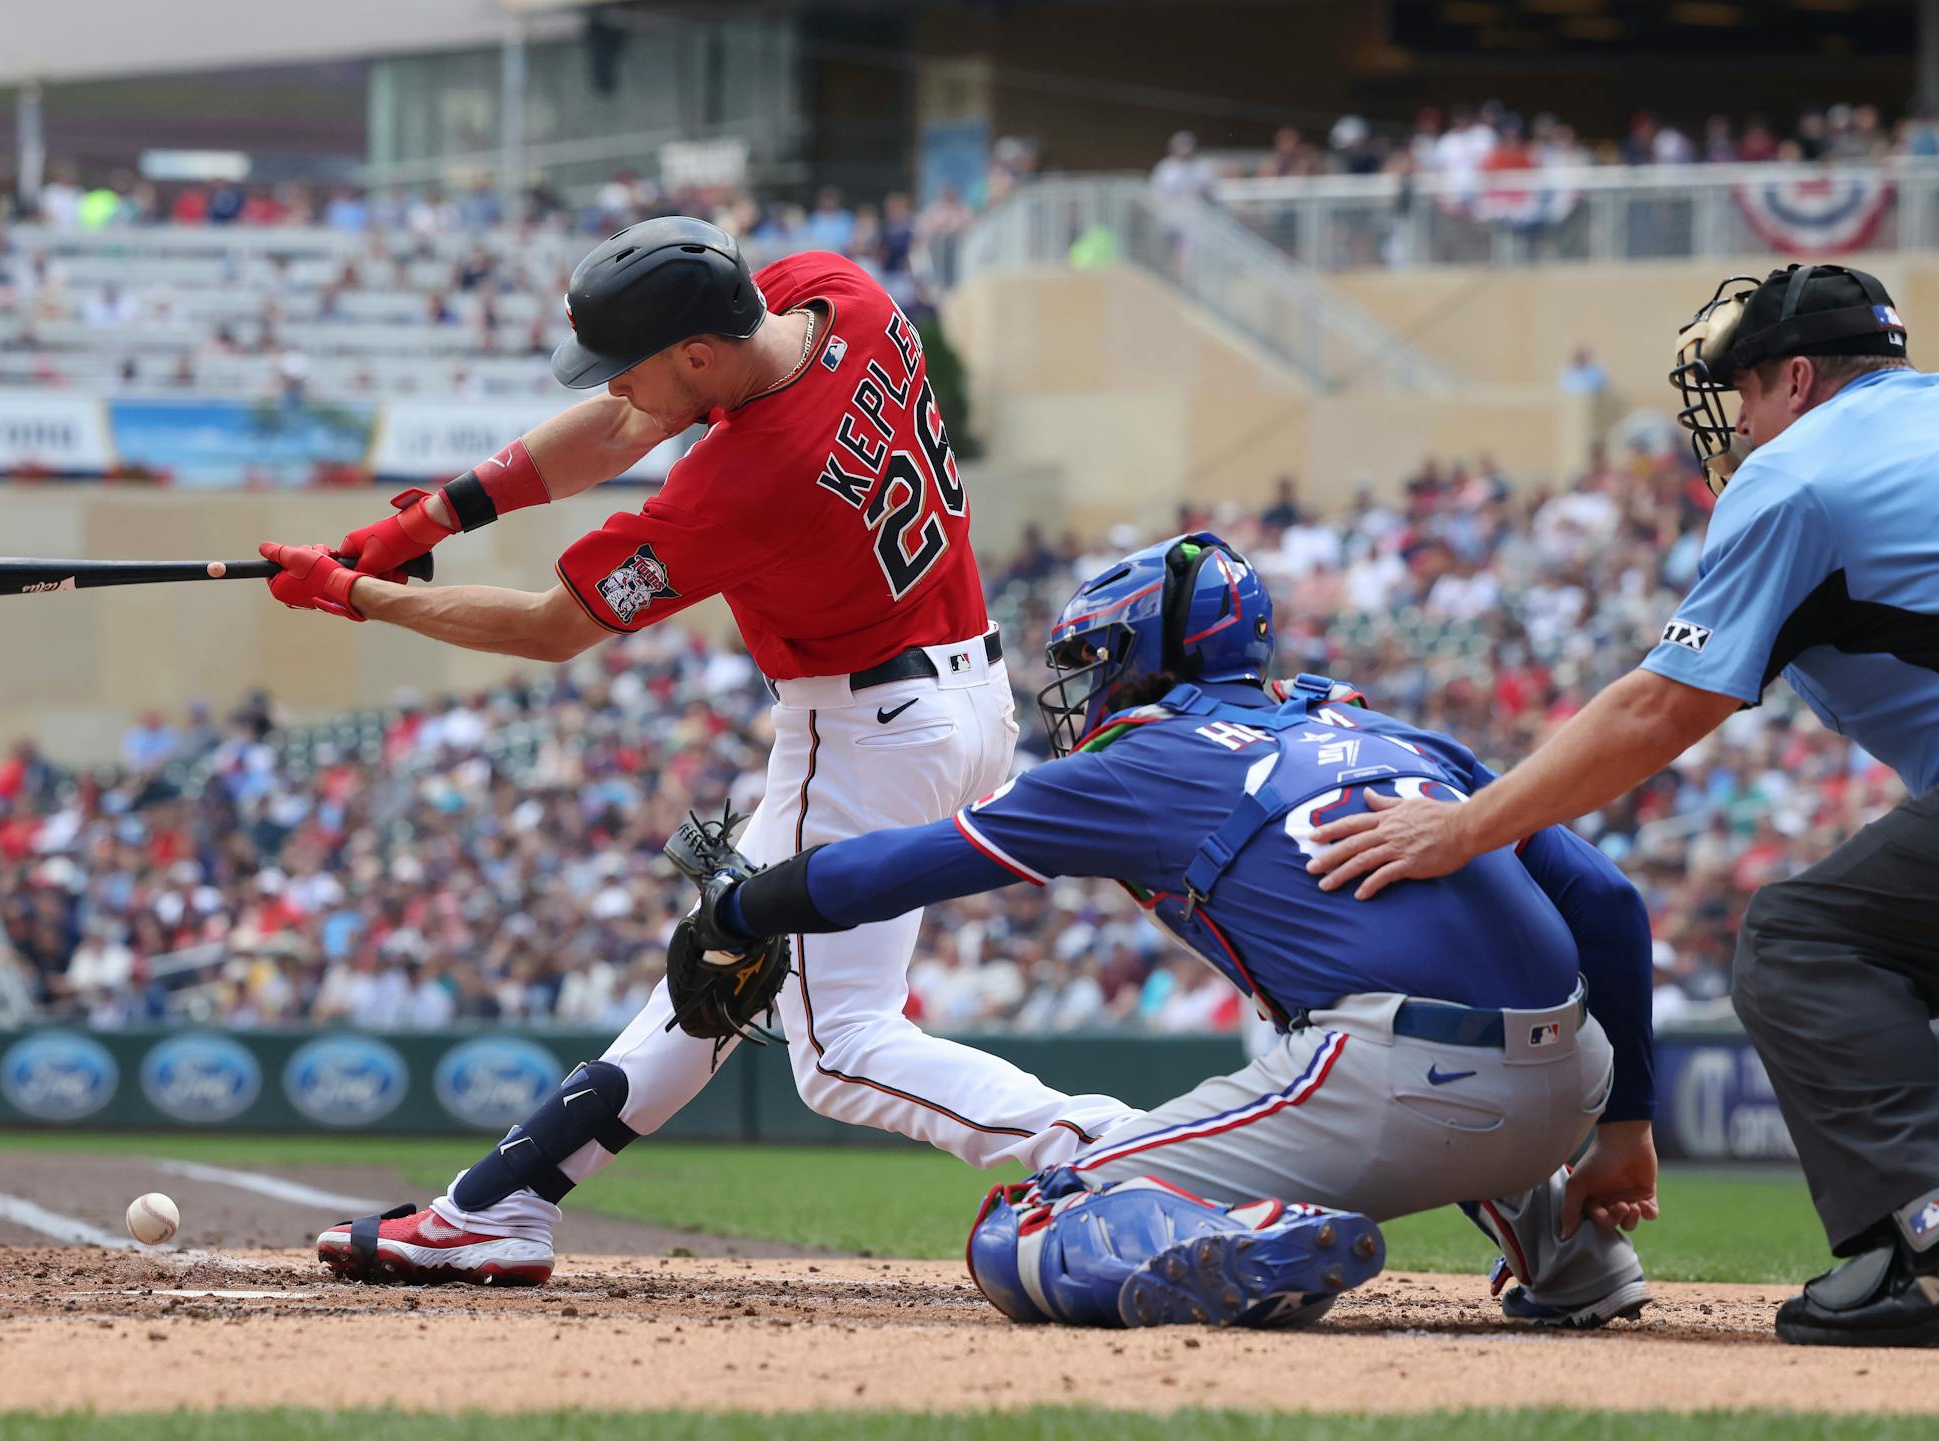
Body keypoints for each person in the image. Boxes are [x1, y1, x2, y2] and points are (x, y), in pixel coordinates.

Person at [264, 215, 1132, 1286]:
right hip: (959, 695)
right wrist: (430, 517)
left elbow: (552, 627)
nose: (616, 388)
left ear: (697, 354)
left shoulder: (747, 477)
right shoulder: (837, 295)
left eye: (629, 368)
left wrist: (364, 595)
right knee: (721, 969)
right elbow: (621, 427)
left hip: (863, 734)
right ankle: (504, 1202)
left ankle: (1115, 1147)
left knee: (841, 1046)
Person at [671, 533, 1658, 1329]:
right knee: (1427, 1041)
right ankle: (1579, 1257)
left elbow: (904, 864)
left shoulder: (1140, 761)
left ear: (1138, 657)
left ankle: (1264, 1238)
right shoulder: (1391, 731)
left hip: (1397, 1086)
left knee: (1036, 1218)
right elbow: (1608, 902)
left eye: (1092, 661)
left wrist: (742, 906)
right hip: (1571, 1085)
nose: (1082, 688)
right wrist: (1626, 1126)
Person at [1305, 264, 1939, 1348]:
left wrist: (1464, 825)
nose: (1737, 420)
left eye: (1744, 391)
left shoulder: (1795, 474)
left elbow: (1657, 711)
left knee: (1807, 941)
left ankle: (1924, 1251)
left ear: (1795, 376)